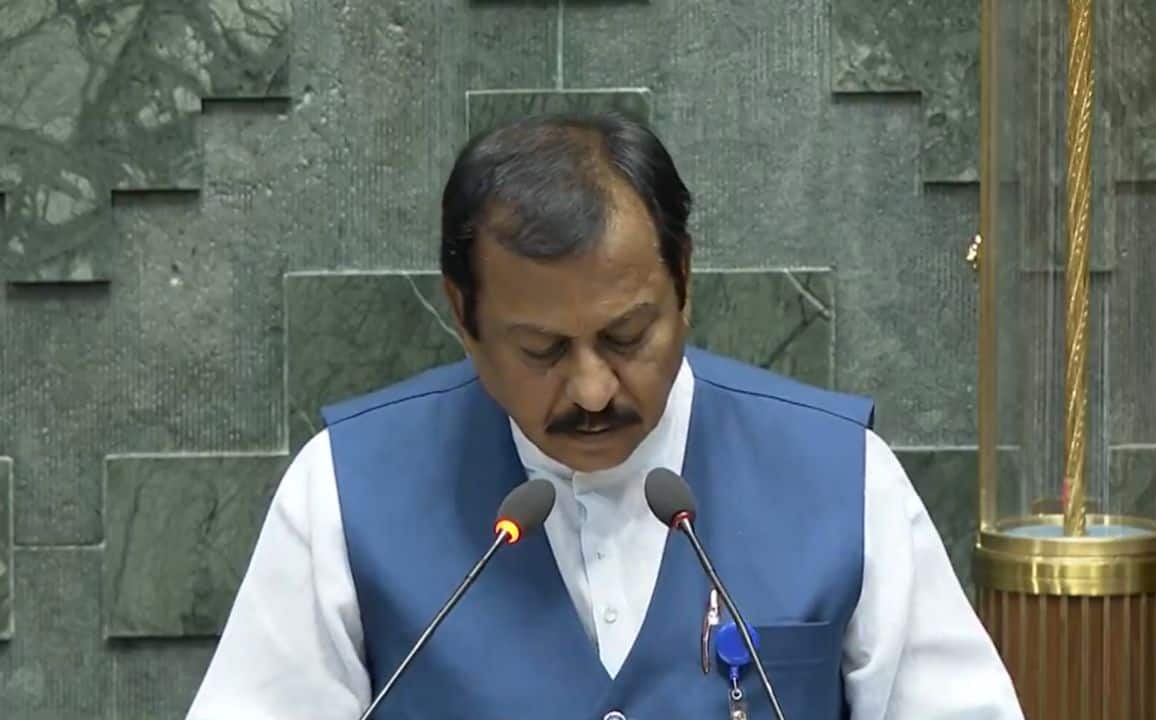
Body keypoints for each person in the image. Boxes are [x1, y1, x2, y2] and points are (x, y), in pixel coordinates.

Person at [186, 113, 1023, 719]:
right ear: (464, 316)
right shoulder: (343, 488)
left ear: (684, 283)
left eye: (626, 335)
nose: (591, 389)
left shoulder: (843, 474)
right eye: (543, 350)